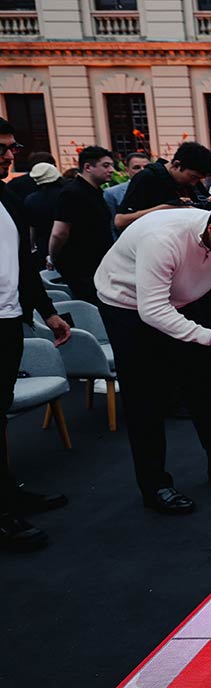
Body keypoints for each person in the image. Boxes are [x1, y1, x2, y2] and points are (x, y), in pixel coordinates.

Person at [95, 206, 211, 513]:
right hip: (128, 305)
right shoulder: (163, 239)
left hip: (186, 297)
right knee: (145, 399)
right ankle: (155, 486)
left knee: (204, 387)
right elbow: (152, 310)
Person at [0, 119, 71, 550]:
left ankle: (8, 497)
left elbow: (25, 265)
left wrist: (49, 312)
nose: (10, 156)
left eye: (12, 147)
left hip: (9, 320)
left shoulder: (7, 196)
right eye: (1, 148)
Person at [48, 145, 115, 303]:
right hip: (82, 268)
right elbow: (59, 232)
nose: (111, 170)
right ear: (88, 167)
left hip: (97, 266)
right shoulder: (72, 192)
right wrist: (53, 257)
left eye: (112, 165)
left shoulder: (94, 192)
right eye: (106, 165)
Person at [116, 142, 211, 231]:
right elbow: (120, 221)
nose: (194, 183)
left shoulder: (191, 180)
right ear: (176, 165)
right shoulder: (147, 178)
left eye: (199, 179)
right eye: (193, 177)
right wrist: (165, 209)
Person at [22, 162, 64, 265]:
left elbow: (31, 227)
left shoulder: (31, 200)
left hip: (43, 245)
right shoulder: (66, 195)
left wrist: (32, 247)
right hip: (68, 245)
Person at [103, 152, 152, 233]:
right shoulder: (112, 193)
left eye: (146, 167)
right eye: (136, 167)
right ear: (127, 170)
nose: (142, 170)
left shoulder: (160, 190)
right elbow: (111, 226)